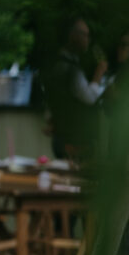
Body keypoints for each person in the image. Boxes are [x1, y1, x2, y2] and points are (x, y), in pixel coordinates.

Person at [45, 16, 107, 159]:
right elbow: (89, 98)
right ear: (73, 36)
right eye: (85, 35)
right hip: (74, 141)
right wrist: (99, 73)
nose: (88, 39)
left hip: (63, 137)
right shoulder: (69, 68)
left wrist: (52, 119)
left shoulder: (58, 64)